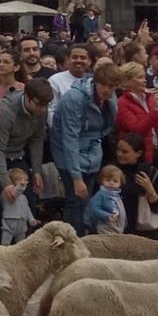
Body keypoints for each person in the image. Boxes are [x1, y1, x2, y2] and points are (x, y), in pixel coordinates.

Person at [53, 62, 120, 235]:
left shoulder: (110, 99)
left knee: (86, 200)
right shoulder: (74, 99)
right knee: (75, 201)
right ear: (95, 81)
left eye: (111, 86)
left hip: (92, 154)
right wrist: (76, 177)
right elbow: (70, 138)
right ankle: (70, 240)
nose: (107, 90)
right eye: (103, 85)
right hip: (68, 154)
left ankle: (84, 237)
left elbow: (106, 128)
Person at [0, 79, 51, 243]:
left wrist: (36, 171)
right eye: (38, 104)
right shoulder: (6, 112)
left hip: (18, 154)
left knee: (28, 196)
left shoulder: (41, 111)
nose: (42, 109)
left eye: (46, 105)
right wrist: (6, 182)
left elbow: (36, 140)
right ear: (28, 97)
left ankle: (24, 243)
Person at [113, 134, 158, 243]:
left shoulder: (150, 172)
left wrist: (150, 190)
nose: (119, 154)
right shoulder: (112, 171)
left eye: (125, 152)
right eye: (118, 150)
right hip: (119, 225)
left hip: (145, 226)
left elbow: (157, 208)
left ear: (138, 153)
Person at [116, 61, 158, 168]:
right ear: (127, 80)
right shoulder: (122, 103)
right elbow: (137, 131)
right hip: (140, 158)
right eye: (140, 77)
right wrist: (154, 112)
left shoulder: (150, 98)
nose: (145, 80)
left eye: (144, 77)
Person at [49, 44, 94, 123]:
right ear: (68, 60)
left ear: (89, 61)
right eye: (74, 57)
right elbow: (51, 110)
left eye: (83, 58)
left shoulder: (94, 81)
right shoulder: (55, 80)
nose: (78, 60)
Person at [0, 168, 39, 245]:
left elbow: (27, 209)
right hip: (10, 221)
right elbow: (15, 194)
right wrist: (20, 187)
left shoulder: (24, 197)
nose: (25, 184)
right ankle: (4, 254)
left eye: (25, 181)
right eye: (22, 181)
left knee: (21, 243)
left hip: (22, 222)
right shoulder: (6, 194)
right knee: (5, 243)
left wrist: (31, 219)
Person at [85, 165, 126, 234]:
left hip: (117, 224)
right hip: (104, 224)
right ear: (101, 180)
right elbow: (94, 208)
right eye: (107, 180)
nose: (111, 183)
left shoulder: (117, 195)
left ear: (120, 183)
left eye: (115, 181)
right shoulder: (100, 194)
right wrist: (106, 215)